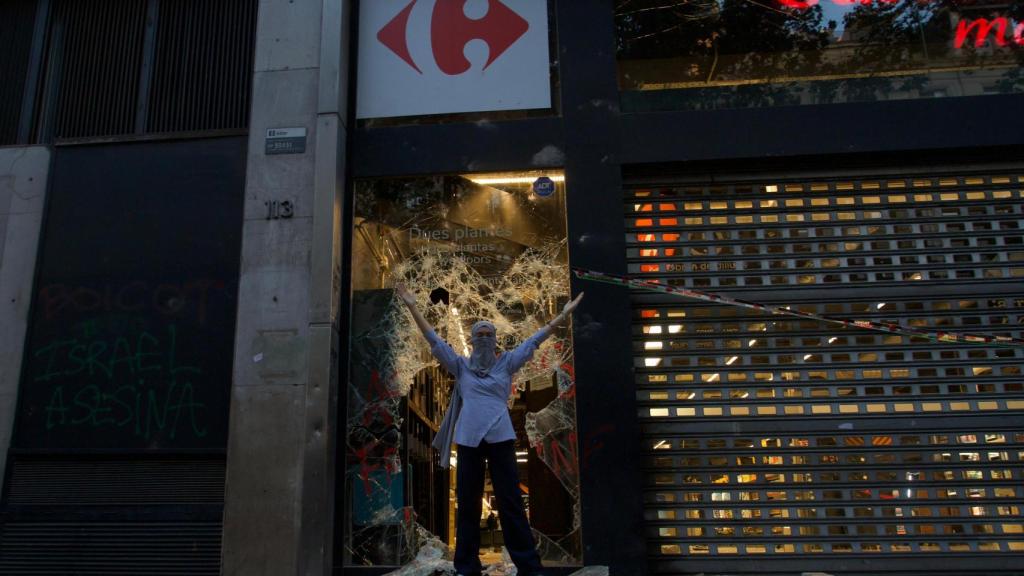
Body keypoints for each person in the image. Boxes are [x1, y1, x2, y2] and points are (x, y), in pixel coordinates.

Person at [396, 283, 583, 576]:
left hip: (501, 438)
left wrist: (562, 317)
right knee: (467, 505)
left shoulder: (507, 363)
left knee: (511, 504)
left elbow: (533, 341)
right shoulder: (460, 366)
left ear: (495, 341)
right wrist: (411, 306)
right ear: (471, 341)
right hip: (469, 439)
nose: (484, 339)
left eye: (488, 335)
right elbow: (432, 340)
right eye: (479, 335)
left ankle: (529, 566)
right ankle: (466, 567)